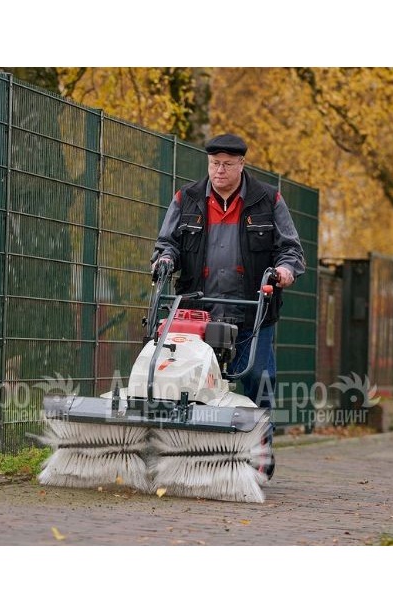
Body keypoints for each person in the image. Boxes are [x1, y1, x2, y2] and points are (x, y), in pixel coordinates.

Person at [151, 133, 305, 469]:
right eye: (214, 163)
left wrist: (285, 269)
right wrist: (164, 259)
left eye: (227, 164)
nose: (219, 170)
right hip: (197, 312)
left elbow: (290, 249)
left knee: (258, 379)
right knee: (188, 381)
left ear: (241, 164)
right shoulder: (187, 198)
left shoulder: (268, 200)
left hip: (252, 312)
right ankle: (188, 452)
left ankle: (259, 452)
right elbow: (168, 244)